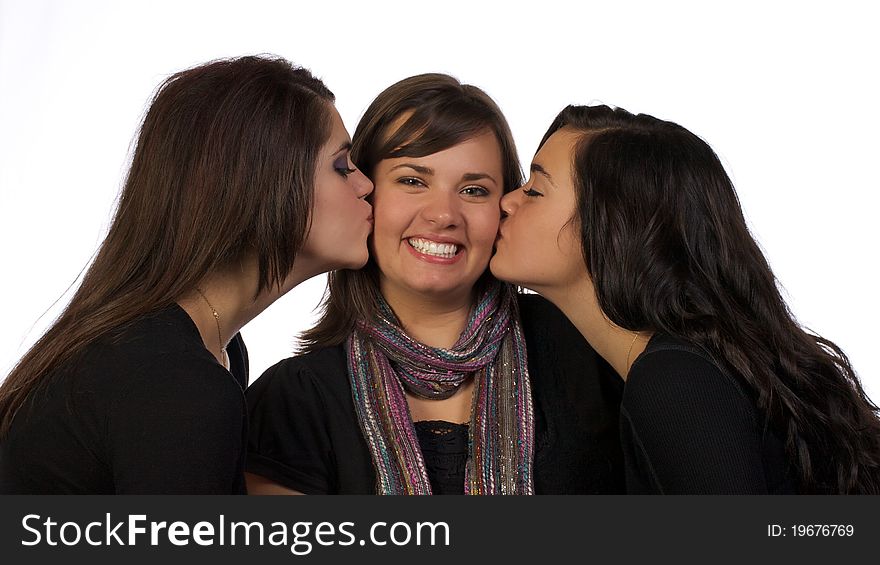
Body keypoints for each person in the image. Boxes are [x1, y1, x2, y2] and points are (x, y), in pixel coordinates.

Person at [0, 55, 374, 494]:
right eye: (341, 166)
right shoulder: (176, 385)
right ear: (262, 183)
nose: (365, 185)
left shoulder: (215, 352)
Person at [246, 75, 624, 495]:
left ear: (505, 208)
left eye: (474, 190)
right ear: (363, 192)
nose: (444, 214)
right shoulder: (294, 400)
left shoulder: (586, 348)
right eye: (412, 181)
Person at [490, 104, 880, 494]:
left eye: (535, 190)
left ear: (613, 225)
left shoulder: (675, 383)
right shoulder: (684, 368)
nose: (508, 201)